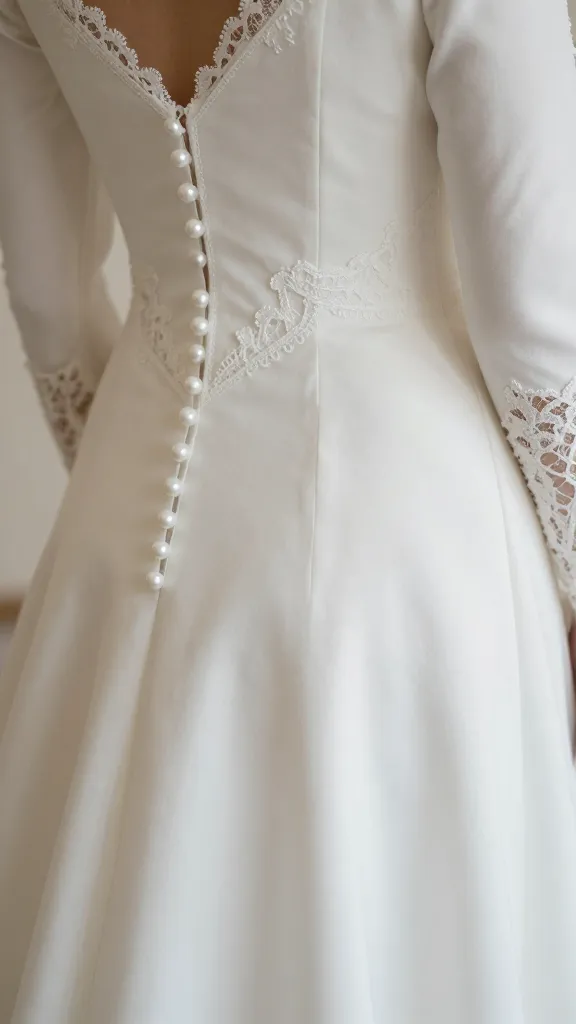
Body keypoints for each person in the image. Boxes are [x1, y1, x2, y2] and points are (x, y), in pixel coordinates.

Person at [1, 0, 576, 1019]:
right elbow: (536, 318)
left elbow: (49, 304)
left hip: (125, 530)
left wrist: (129, 490)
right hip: (405, 560)